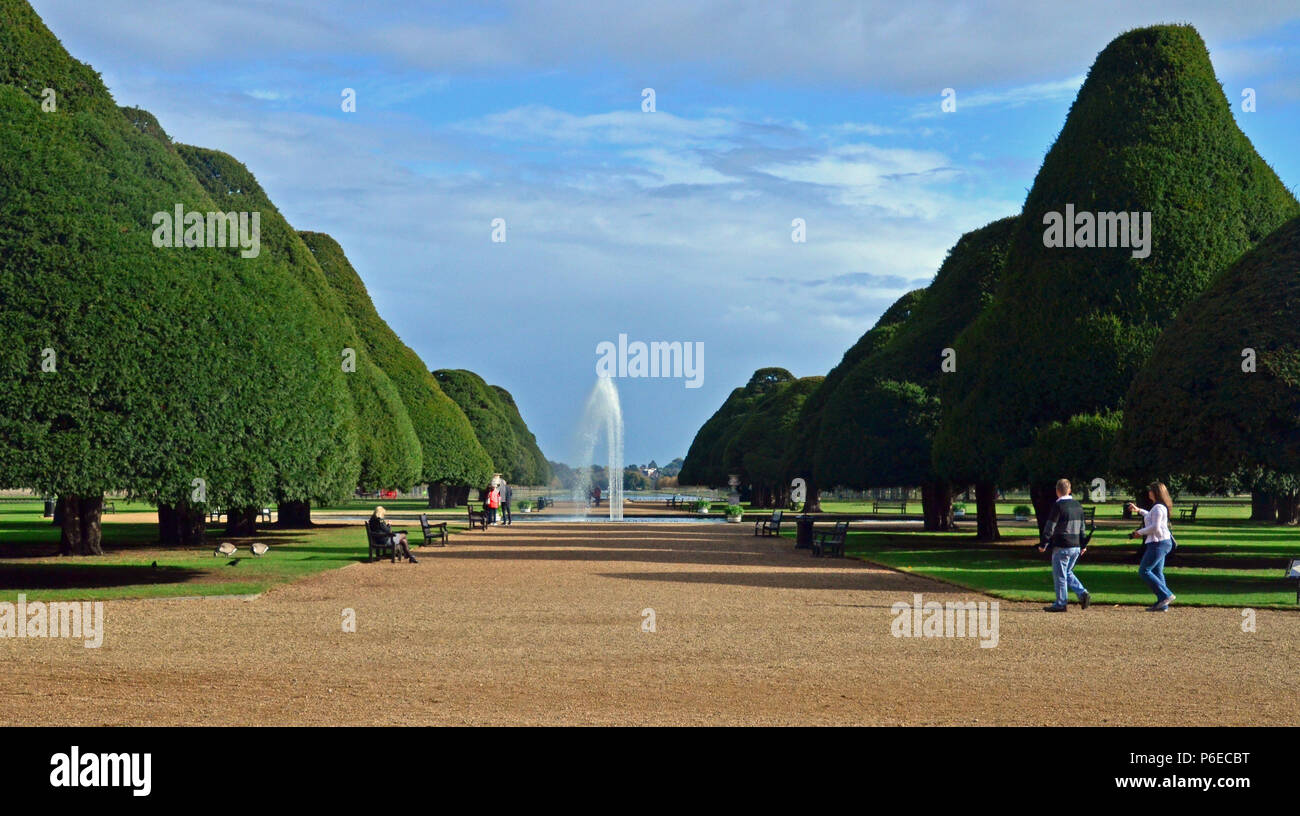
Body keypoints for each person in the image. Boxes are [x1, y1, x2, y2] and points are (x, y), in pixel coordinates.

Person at [1037, 478, 1090, 612]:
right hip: (1076, 546)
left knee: (1060, 575)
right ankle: (1082, 593)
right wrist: (1083, 545)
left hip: (1062, 545)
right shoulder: (1078, 505)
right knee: (1067, 572)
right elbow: (1082, 528)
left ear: (1057, 491)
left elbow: (1050, 526)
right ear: (1070, 490)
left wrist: (1044, 543)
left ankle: (1061, 603)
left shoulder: (1058, 506)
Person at [1127, 482, 1176, 611]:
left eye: (1151, 490)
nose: (1149, 493)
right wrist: (1139, 510)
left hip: (1158, 543)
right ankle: (1163, 604)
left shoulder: (1159, 507)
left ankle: (1166, 595)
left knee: (1144, 571)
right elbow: (1151, 517)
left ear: (1156, 492)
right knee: (1157, 572)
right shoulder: (1157, 507)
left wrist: (1139, 532)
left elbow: (1155, 527)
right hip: (1160, 543)